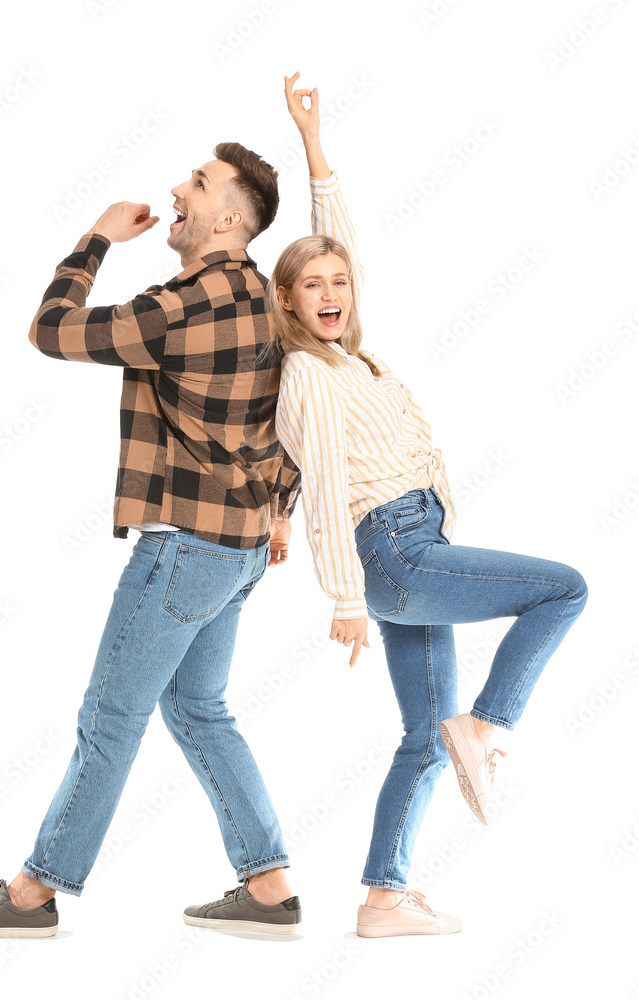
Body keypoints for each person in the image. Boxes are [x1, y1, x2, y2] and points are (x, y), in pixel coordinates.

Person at [0, 142, 304, 938]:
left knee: (111, 716)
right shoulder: (267, 299)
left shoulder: (186, 308)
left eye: (197, 184)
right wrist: (281, 512)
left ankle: (35, 892)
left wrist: (94, 237)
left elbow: (52, 330)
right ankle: (268, 886)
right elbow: (298, 416)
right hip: (238, 549)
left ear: (231, 219)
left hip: (185, 550)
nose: (178, 188)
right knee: (198, 709)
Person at [268, 72, 588, 937]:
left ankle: (383, 897)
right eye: (311, 287)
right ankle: (489, 725)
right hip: (396, 553)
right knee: (564, 588)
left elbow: (340, 246)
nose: (331, 292)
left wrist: (313, 144)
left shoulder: (351, 358)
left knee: (420, 735)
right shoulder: (305, 373)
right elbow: (326, 476)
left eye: (339, 282)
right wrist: (343, 597)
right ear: (288, 304)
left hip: (416, 546)